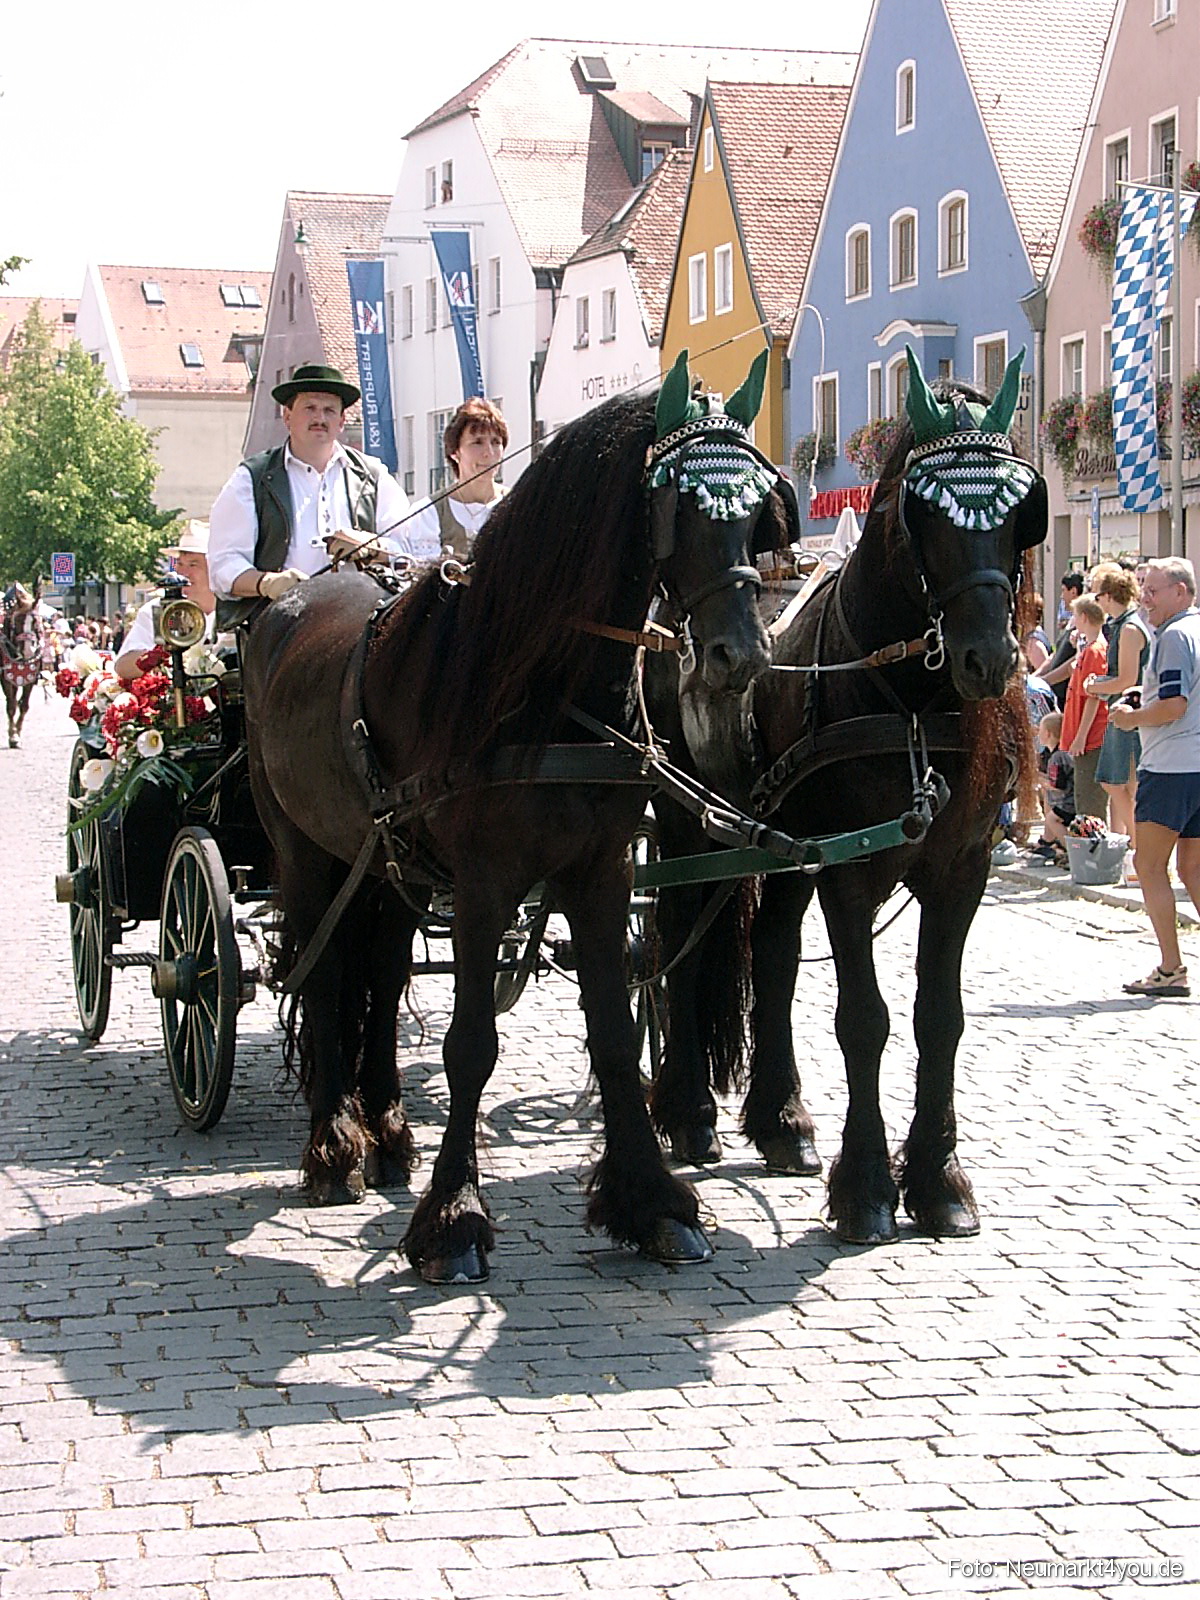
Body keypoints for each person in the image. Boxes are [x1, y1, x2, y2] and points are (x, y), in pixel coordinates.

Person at [208, 364, 409, 628]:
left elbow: (409, 553)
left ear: (341, 421)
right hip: (280, 625)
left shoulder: (373, 476)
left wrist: (373, 547)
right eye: (310, 408)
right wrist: (267, 583)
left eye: (329, 410)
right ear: (287, 416)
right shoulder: (251, 478)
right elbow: (224, 566)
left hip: (362, 621)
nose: (320, 418)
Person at [1110, 557, 1200, 997]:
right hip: (1197, 765)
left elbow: (1172, 705)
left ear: (1181, 592)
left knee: (1149, 866)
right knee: (1193, 869)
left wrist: (1131, 717)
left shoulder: (1175, 636)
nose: (1145, 598)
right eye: (1144, 589)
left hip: (1171, 767)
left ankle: (1171, 967)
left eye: (1154, 590)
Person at [1085, 567, 1152, 851]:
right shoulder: (1125, 625)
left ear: (1109, 596)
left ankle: (1140, 846)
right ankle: (1139, 846)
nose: (1096, 604)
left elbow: (1127, 679)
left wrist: (1095, 686)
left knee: (1119, 783)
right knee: (1125, 784)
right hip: (1124, 710)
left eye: (1098, 597)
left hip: (1128, 711)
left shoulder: (1129, 628)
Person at [400, 398, 508, 564]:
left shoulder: (517, 505)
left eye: (496, 442)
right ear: (455, 452)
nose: (489, 453)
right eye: (477, 442)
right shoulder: (428, 513)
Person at [115, 522, 215, 680]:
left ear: (215, 569)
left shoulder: (234, 611)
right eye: (180, 564)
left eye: (193, 565)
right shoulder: (157, 610)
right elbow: (123, 667)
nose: (183, 573)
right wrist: (162, 654)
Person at [1060, 595, 1110, 824]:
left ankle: (1093, 855)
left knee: (1089, 802)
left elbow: (1093, 697)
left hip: (1090, 737)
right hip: (1083, 735)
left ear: (1084, 617)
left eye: (1075, 615)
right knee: (1084, 798)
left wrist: (1081, 737)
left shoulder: (1095, 651)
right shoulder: (1089, 648)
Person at [1039, 570, 1086, 708]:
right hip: (1057, 696)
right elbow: (1056, 655)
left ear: (1073, 591)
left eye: (1064, 590)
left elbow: (1075, 660)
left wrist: (1046, 680)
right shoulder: (1072, 621)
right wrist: (1036, 678)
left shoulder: (1082, 624)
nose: (1061, 596)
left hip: (1068, 697)